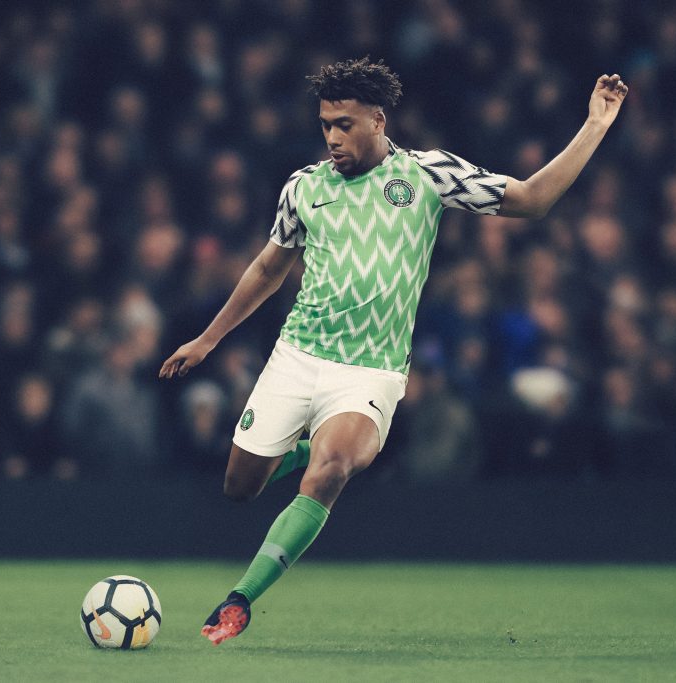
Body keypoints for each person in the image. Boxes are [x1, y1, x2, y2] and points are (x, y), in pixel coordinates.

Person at [159, 57, 628, 645]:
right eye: (325, 124)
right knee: (240, 486)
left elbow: (532, 200)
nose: (332, 137)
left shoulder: (428, 174)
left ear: (378, 121)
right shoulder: (303, 188)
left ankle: (240, 599)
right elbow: (268, 269)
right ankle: (302, 450)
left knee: (333, 468)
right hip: (297, 356)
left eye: (345, 124)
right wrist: (208, 339)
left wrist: (595, 125)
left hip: (370, 370)